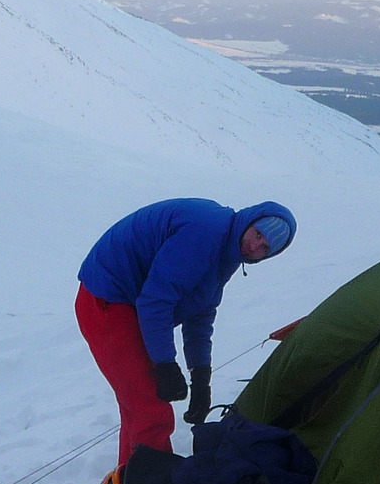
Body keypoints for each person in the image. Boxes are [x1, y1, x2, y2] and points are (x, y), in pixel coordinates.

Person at [77, 198, 296, 468]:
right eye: (258, 234)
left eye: (264, 248)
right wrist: (165, 364)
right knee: (151, 410)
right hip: (106, 300)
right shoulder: (207, 232)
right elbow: (156, 300)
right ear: (250, 221)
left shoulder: (226, 249)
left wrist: (200, 377)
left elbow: (201, 313)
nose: (254, 247)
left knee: (139, 405)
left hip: (125, 305)